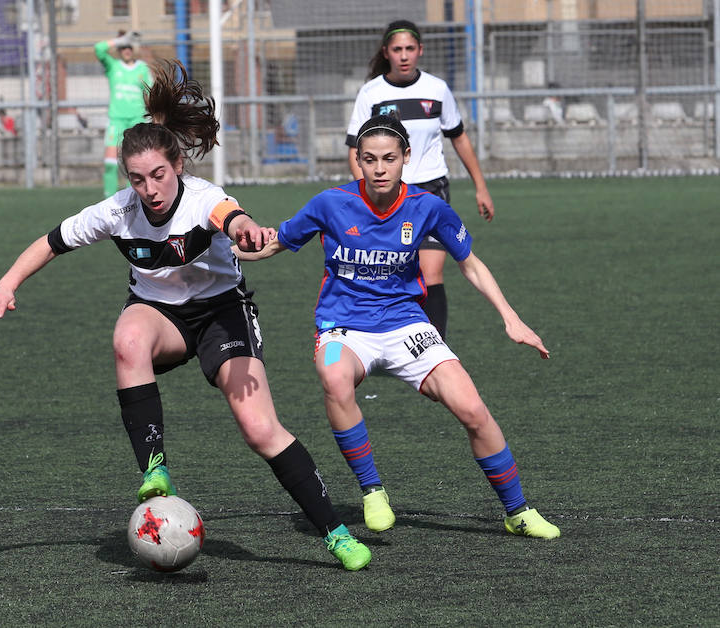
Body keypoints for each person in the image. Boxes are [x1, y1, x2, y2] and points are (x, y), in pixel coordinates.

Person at [0, 60, 371, 571]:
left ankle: (334, 533)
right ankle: (155, 469)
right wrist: (7, 283)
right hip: (160, 314)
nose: (150, 188)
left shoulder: (202, 198)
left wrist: (246, 230)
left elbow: (232, 216)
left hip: (222, 314)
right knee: (127, 337)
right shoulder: (117, 211)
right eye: (138, 179)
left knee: (259, 429)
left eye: (158, 175)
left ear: (177, 166)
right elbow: (51, 242)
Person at [237, 115, 560, 539]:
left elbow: (470, 264)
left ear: (406, 157)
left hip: (406, 324)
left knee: (473, 410)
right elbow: (275, 243)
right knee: (334, 376)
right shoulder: (330, 203)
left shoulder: (428, 206)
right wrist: (221, 251)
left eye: (389, 158)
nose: (379, 168)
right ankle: (372, 490)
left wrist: (511, 318)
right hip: (344, 327)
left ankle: (517, 511)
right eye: (369, 159)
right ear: (358, 161)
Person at [346, 19, 494, 340]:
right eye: (397, 49)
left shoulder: (437, 89)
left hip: (431, 192)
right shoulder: (371, 93)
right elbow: (355, 150)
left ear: (420, 51)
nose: (403, 56)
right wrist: (365, 194)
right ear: (386, 52)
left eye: (409, 49)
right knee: (391, 272)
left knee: (431, 273)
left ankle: (434, 346)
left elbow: (459, 137)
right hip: (387, 194)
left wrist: (481, 187)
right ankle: (387, 336)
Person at [95, 30, 153, 198]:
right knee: (111, 164)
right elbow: (98, 49)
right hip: (116, 121)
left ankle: (133, 200)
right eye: (123, 47)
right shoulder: (113, 66)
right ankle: (109, 202)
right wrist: (119, 39)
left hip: (137, 121)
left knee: (134, 165)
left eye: (129, 46)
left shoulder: (142, 68)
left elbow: (152, 93)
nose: (126, 50)